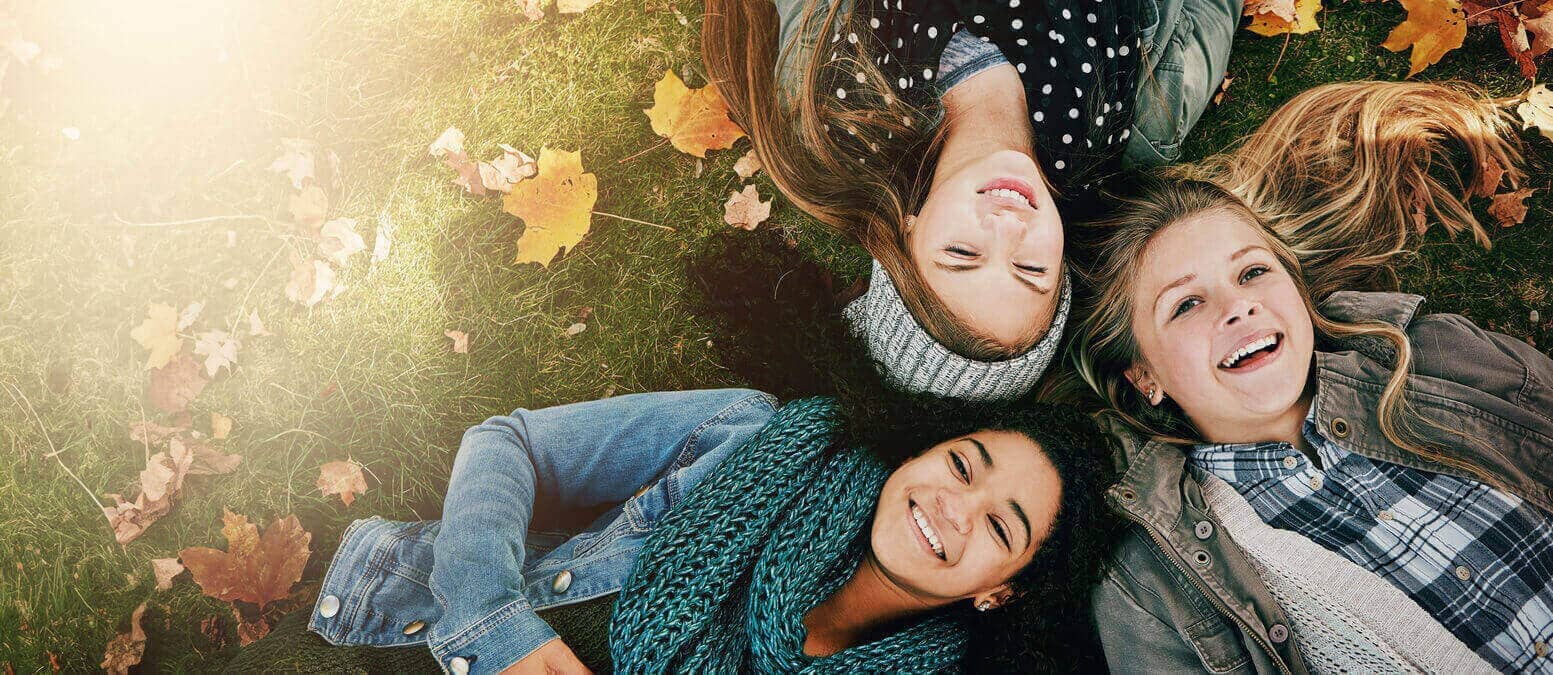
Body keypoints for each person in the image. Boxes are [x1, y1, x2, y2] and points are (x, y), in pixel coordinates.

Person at [1068, 80, 1553, 673]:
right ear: (1144, 375)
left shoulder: (1436, 354)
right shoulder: (1150, 586)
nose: (1239, 307)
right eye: (1186, 304)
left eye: (1252, 272)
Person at [302, 389, 1117, 673]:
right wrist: (494, 625)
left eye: (998, 526)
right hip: (383, 644)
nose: (952, 505)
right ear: (924, 448)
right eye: (962, 464)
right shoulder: (751, 437)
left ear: (999, 591)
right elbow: (507, 443)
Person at [701, 0, 1241, 399]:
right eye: (1031, 268)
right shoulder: (1139, 122)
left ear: (909, 229)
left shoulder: (841, 112)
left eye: (962, 253)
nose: (1007, 227)